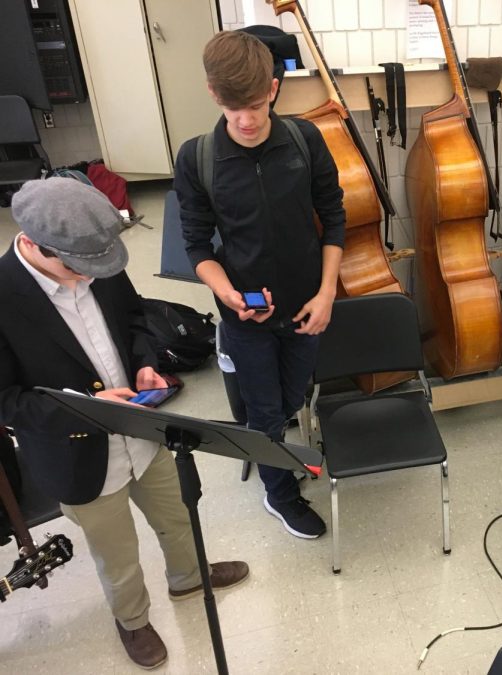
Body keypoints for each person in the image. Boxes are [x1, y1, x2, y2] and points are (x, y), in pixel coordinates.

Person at [0, 178, 249, 669]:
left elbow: (134, 319)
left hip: (143, 430)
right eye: (77, 270)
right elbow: (7, 402)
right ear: (32, 244)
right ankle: (132, 620)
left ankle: (188, 577)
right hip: (76, 457)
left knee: (177, 514)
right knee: (117, 554)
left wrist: (143, 363)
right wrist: (84, 409)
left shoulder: (96, 257)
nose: (91, 277)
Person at [174, 31, 345, 539]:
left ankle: (267, 442)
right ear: (212, 94)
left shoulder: (303, 139)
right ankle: (280, 493)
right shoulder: (197, 157)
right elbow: (197, 246)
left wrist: (328, 291)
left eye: (253, 105)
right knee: (267, 413)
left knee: (292, 395)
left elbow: (333, 219)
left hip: (307, 305)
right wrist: (227, 294)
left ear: (272, 88)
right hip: (243, 315)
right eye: (232, 109)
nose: (245, 121)